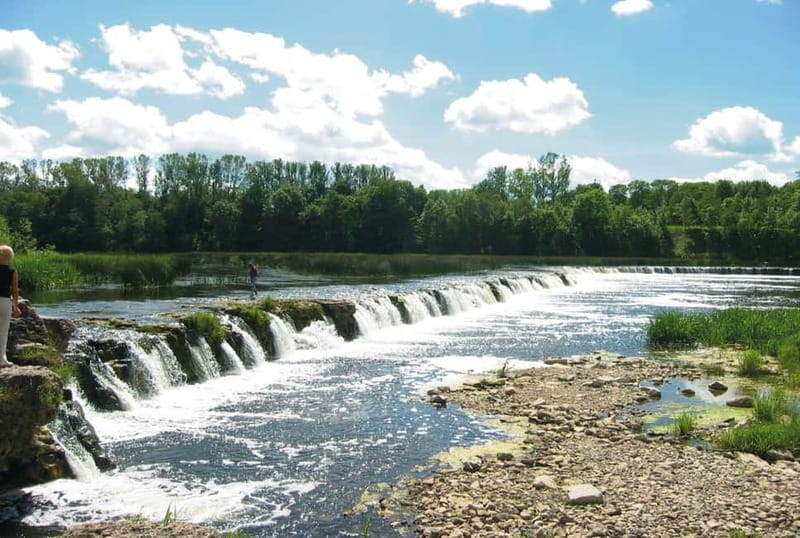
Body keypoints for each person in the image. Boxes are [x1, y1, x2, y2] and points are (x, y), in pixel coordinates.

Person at [0, 245, 21, 367]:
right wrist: (16, 306)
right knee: (3, 331)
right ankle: (2, 360)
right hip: (4, 302)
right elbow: (15, 291)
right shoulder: (12, 271)